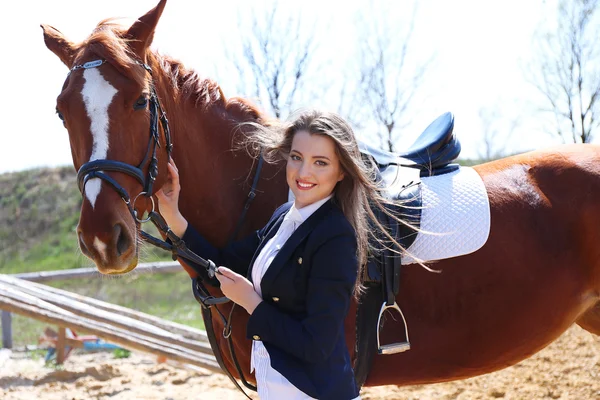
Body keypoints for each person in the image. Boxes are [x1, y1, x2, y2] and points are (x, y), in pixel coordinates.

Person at [156, 109, 408, 400]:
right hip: (277, 386)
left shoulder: (336, 236)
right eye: (297, 157)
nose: (303, 173)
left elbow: (317, 344)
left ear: (342, 172)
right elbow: (222, 264)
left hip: (313, 392)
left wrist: (251, 302)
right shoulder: (283, 216)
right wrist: (173, 215)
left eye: (320, 163)